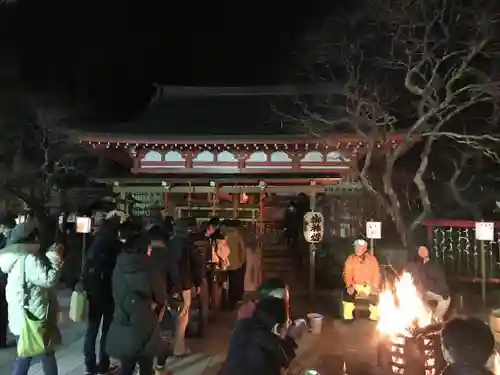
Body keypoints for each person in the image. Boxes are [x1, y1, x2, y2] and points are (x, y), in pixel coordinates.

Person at [0, 218, 64, 375]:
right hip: (33, 317)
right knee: (39, 353)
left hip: (21, 315)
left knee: (30, 353)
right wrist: (55, 258)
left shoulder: (15, 257)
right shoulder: (28, 259)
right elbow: (48, 279)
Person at [106, 218, 168, 375]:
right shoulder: (150, 268)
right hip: (145, 320)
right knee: (146, 365)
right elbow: (161, 297)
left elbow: (115, 291)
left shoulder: (118, 266)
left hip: (123, 317)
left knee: (127, 364)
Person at [220, 278, 306, 375]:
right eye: (287, 304)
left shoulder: (244, 327)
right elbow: (279, 361)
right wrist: (290, 340)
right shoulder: (263, 339)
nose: (288, 310)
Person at [81, 212, 123, 375]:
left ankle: (90, 365)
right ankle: (103, 364)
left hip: (93, 290)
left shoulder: (95, 241)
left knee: (91, 329)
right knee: (106, 330)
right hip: (108, 291)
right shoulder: (115, 244)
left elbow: (86, 264)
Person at [169, 219, 203, 356]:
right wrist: (198, 283)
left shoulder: (169, 244)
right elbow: (197, 264)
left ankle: (171, 344)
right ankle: (179, 347)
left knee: (173, 314)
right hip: (185, 283)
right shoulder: (189, 245)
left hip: (170, 284)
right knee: (183, 315)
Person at [408, 246, 450, 322]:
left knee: (418, 297)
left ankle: (433, 323)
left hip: (441, 297)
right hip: (444, 296)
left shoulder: (424, 268)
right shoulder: (434, 264)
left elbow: (425, 285)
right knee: (436, 318)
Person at [342, 239, 381, 321]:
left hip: (368, 285)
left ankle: (374, 318)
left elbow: (376, 274)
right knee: (347, 294)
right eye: (356, 247)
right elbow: (347, 274)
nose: (357, 249)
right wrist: (349, 285)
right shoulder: (350, 259)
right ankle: (348, 318)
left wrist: (375, 286)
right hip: (355, 285)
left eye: (360, 247)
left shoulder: (372, 259)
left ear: (364, 248)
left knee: (375, 296)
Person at [0, 213, 16, 348]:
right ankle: (2, 339)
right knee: (3, 311)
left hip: (4, 279)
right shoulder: (9, 240)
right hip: (4, 280)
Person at [225, 220, 246, 309]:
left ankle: (228, 302)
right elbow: (242, 250)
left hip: (226, 264)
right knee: (236, 284)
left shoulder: (225, 235)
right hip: (237, 264)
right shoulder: (238, 236)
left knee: (227, 285)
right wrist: (242, 262)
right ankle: (236, 301)